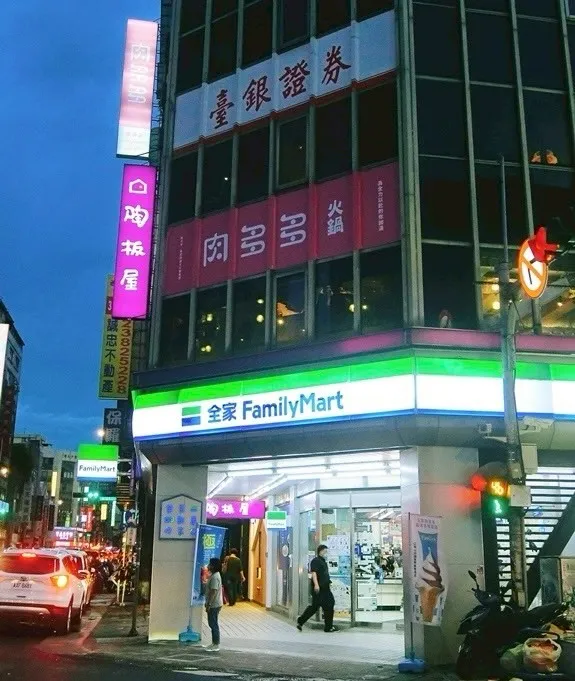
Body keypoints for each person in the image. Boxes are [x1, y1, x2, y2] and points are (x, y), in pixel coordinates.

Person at [297, 544, 337, 633]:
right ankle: (328, 627)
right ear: (321, 551)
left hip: (325, 587)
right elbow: (314, 573)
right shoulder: (316, 561)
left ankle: (301, 621)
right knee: (326, 605)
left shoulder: (323, 561)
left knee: (317, 606)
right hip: (320, 588)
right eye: (325, 551)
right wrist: (316, 585)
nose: (326, 553)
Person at [205, 557, 224, 652]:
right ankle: (214, 643)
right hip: (214, 603)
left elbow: (213, 591)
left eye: (209, 564)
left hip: (214, 604)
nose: (208, 566)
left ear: (213, 566)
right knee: (212, 623)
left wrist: (209, 604)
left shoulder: (215, 577)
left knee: (213, 624)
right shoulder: (214, 575)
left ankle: (216, 644)